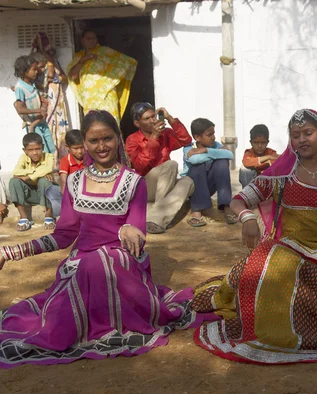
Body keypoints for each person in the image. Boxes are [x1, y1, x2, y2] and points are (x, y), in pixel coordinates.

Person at [0, 110, 216, 369]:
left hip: (122, 262)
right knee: (87, 266)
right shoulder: (75, 181)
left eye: (107, 139)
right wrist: (10, 253)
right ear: (86, 142)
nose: (101, 146)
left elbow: (137, 237)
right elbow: (63, 235)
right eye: (94, 140)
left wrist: (125, 230)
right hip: (80, 265)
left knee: (98, 262)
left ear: (118, 139)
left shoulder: (134, 182)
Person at [190, 109, 317, 364]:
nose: (302, 140)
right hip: (287, 247)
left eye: (308, 133)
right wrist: (248, 219)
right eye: (296, 135)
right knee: (265, 273)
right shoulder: (280, 173)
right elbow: (239, 201)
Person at [125, 102, 194, 234]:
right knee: (171, 164)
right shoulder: (132, 140)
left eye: (153, 116)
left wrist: (170, 119)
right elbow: (140, 166)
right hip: (145, 185)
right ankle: (158, 214)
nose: (152, 121)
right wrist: (154, 138)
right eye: (146, 119)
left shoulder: (166, 133)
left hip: (164, 184)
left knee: (188, 182)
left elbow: (185, 140)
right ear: (137, 123)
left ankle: (154, 217)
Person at [66, 30, 137, 122]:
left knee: (110, 123)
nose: (91, 41)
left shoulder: (106, 52)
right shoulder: (78, 56)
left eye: (93, 38)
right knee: (93, 124)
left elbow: (128, 62)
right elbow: (73, 76)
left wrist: (108, 83)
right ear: (82, 40)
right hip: (89, 97)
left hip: (106, 94)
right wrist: (83, 60)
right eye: (88, 38)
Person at [181, 118, 236, 226]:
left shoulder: (214, 145)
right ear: (197, 137)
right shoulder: (188, 147)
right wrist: (218, 153)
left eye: (214, 133)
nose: (213, 137)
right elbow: (194, 160)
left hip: (209, 186)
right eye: (209, 134)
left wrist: (205, 150)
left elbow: (230, 155)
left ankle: (226, 206)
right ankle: (196, 211)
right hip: (192, 189)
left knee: (222, 162)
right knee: (198, 166)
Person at [31, 32, 71, 163]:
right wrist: (49, 64)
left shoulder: (53, 62)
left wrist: (56, 78)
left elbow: (65, 79)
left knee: (60, 127)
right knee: (49, 126)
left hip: (58, 100)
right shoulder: (38, 66)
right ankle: (52, 161)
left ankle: (63, 160)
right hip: (48, 100)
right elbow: (45, 80)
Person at [9, 133, 57, 231]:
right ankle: (24, 217)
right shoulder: (23, 158)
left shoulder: (49, 157)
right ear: (25, 151)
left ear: (42, 147)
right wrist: (35, 173)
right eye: (30, 150)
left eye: (38, 149)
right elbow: (16, 172)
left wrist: (28, 177)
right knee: (14, 181)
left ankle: (49, 215)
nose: (35, 153)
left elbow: (48, 168)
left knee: (45, 180)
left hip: (46, 195)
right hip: (30, 195)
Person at [12, 55, 56, 154]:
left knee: (51, 149)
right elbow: (20, 108)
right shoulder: (20, 88)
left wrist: (43, 105)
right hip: (33, 124)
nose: (36, 72)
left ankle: (52, 168)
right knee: (41, 151)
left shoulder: (32, 83)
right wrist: (38, 110)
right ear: (24, 71)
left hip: (41, 122)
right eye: (33, 69)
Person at [44, 129, 85, 218]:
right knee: (52, 192)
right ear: (67, 147)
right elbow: (63, 181)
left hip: (86, 192)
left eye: (82, 147)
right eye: (76, 148)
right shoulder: (65, 161)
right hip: (71, 193)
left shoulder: (88, 160)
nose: (80, 151)